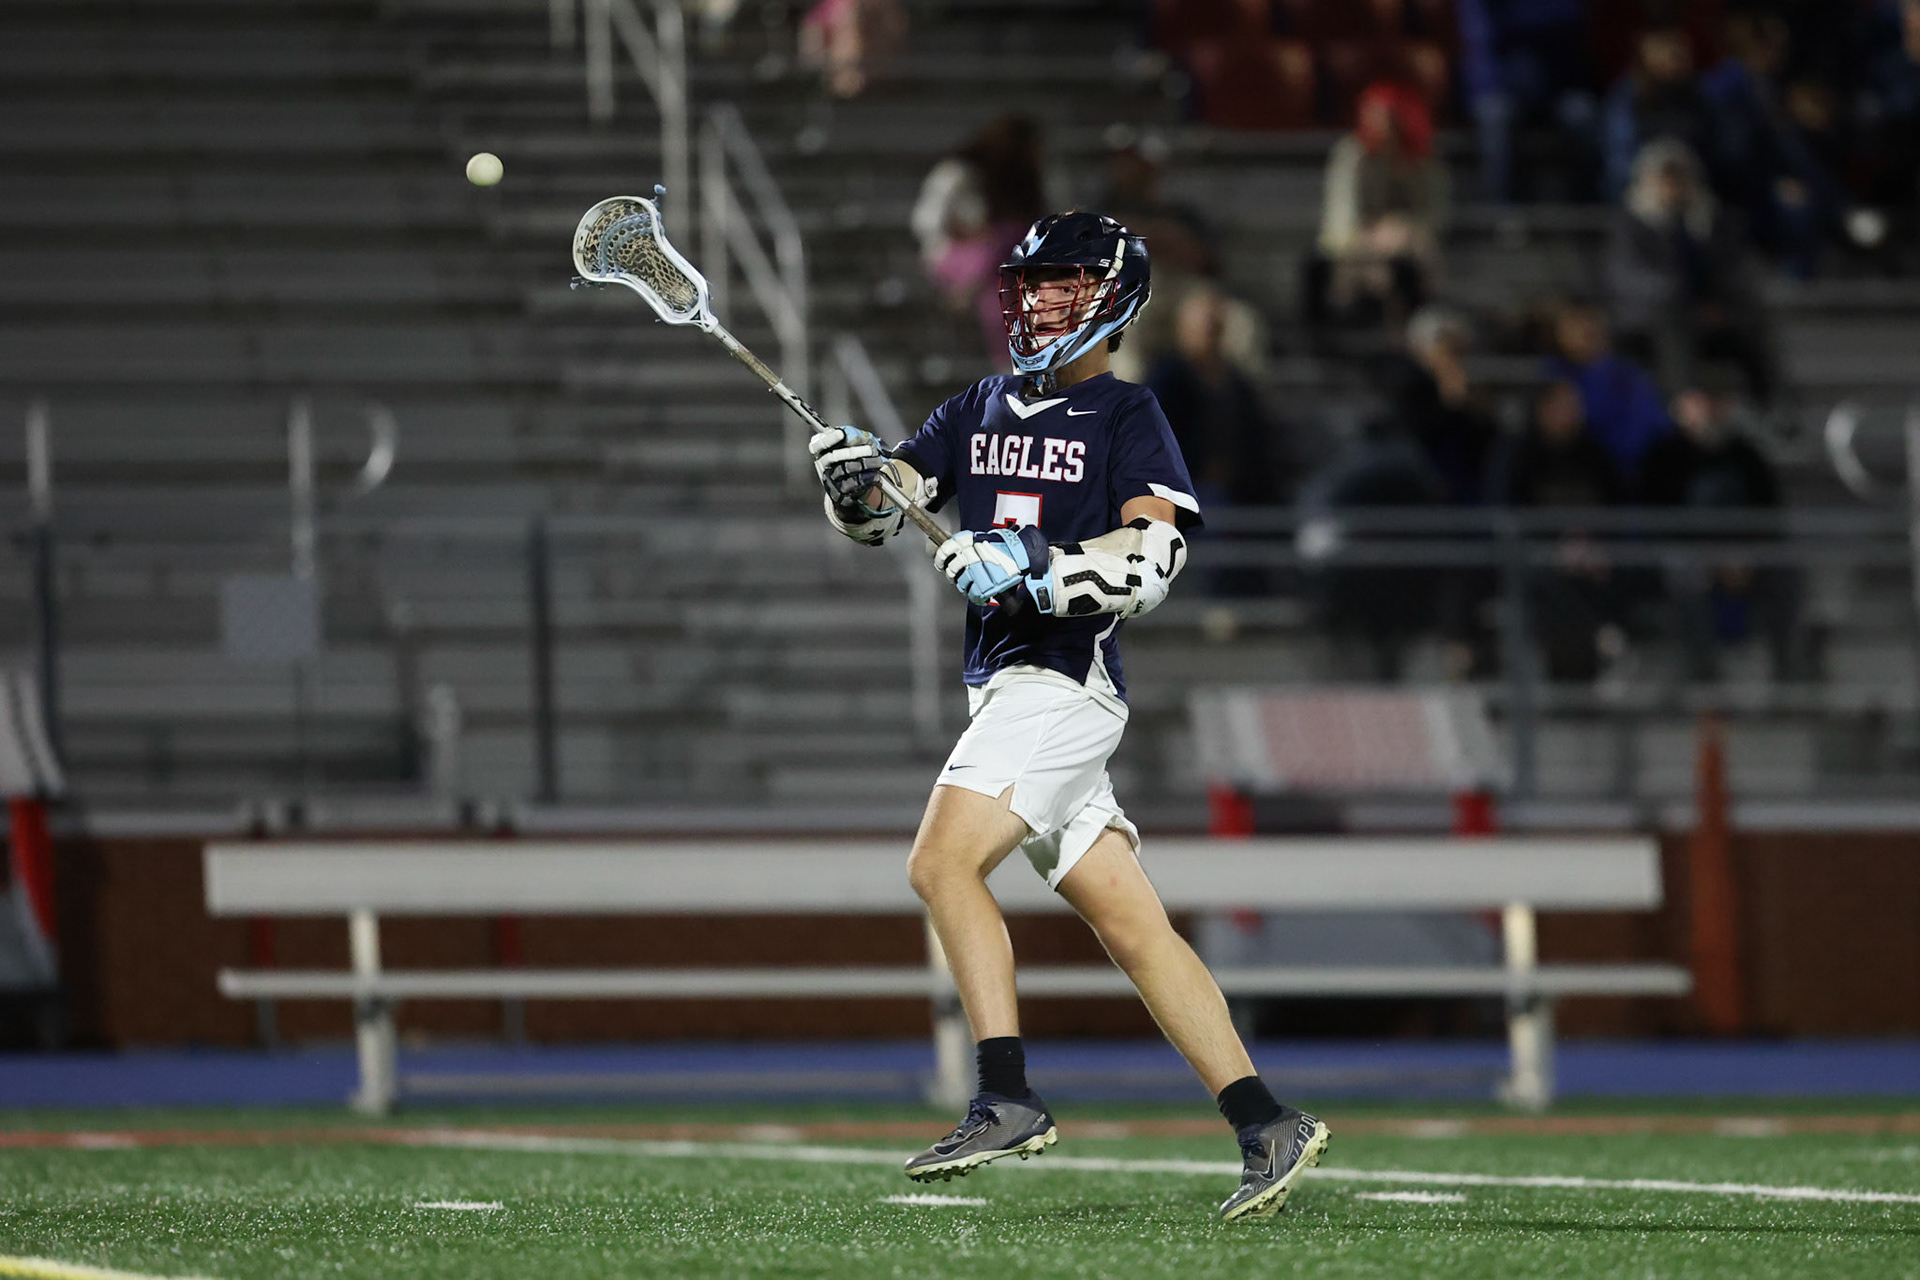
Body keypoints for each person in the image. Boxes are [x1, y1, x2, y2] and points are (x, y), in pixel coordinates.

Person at [807, 212, 1329, 1221]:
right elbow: (897, 499)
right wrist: (854, 484)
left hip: (1062, 685)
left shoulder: (1128, 414)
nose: (1039, 299)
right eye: (1032, 284)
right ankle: (1266, 1117)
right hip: (1008, 689)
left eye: (1063, 285)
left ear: (1113, 300)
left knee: (939, 862)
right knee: (1134, 925)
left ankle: (1005, 1091)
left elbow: (1158, 554)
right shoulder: (977, 404)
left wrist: (1036, 569)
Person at [1638, 378, 1806, 680]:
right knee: (1684, 573)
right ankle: (1704, 676)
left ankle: (1788, 674)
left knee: (1785, 572)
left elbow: (1769, 513)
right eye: (1703, 403)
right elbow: (1658, 518)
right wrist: (1713, 553)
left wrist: (1743, 552)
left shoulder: (1745, 455)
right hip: (1690, 552)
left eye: (1718, 404)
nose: (1711, 412)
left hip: (1743, 553)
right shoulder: (1664, 455)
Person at [1607, 138, 1780, 406]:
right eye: (1665, 179)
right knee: (1672, 322)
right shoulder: (1632, 223)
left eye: (1679, 178)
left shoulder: (1709, 220)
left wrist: (1722, 304)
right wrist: (1683, 298)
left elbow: (1733, 268)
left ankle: (1773, 405)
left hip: (1709, 315)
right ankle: (1686, 403)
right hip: (1652, 317)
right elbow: (1628, 276)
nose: (1673, 187)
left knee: (1753, 321)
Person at [1496, 380, 1631, 681]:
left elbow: (1617, 506)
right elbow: (1509, 514)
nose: (1574, 412)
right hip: (1537, 556)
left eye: (1575, 405)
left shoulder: (1594, 451)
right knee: (1553, 583)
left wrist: (1594, 543)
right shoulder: (1520, 455)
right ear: (1543, 410)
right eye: (1565, 406)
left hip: (1595, 553)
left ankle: (1607, 644)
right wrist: (1557, 547)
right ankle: (1588, 653)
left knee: (1625, 569)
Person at [1306, 81, 1450, 333]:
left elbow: (1434, 214)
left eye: (1389, 117)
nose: (1381, 125)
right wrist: (1373, 240)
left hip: (1407, 246)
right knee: (1352, 271)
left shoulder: (1423, 158)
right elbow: (1339, 224)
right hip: (1354, 250)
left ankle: (1421, 329)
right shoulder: (1351, 155)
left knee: (1415, 256)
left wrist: (1401, 230)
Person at [910, 116, 1047, 360]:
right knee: (997, 278)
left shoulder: (1022, 179)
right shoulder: (959, 172)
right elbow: (927, 220)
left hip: (999, 258)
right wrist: (969, 233)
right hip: (957, 255)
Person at [1543, 299, 1671, 487]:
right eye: (1576, 329)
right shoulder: (1553, 374)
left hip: (1627, 469)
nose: (1583, 337)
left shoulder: (1627, 376)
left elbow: (1653, 424)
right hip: (1573, 468)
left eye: (1590, 331)